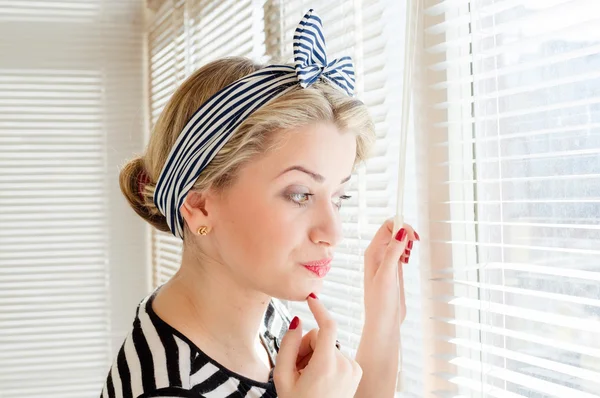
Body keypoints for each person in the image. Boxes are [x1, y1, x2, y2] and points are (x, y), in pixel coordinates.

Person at [101, 8, 418, 398]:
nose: (333, 232)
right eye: (300, 194)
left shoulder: (265, 320)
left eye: (339, 197)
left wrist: (384, 317)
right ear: (199, 206)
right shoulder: (166, 385)